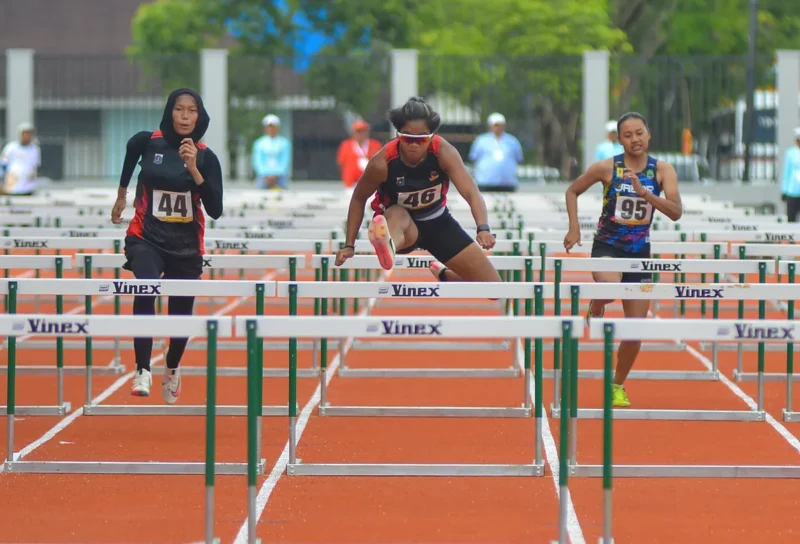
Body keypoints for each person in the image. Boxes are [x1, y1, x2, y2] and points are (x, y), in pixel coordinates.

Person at [110, 88, 224, 402]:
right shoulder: (149, 142)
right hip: (146, 237)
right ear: (169, 112)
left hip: (186, 246)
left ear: (199, 117)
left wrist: (194, 170)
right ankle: (142, 369)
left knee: (180, 318)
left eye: (191, 111)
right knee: (145, 286)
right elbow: (131, 153)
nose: (185, 116)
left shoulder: (205, 157)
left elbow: (215, 209)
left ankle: (172, 365)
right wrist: (121, 196)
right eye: (179, 109)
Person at [563, 112, 683, 408]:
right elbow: (572, 190)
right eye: (627, 135)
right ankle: (598, 302)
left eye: (639, 133)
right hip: (608, 247)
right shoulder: (608, 167)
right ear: (619, 140)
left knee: (635, 328)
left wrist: (645, 193)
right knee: (610, 287)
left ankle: (616, 385)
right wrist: (574, 227)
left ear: (649, 134)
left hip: (640, 254)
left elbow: (676, 211)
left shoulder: (663, 170)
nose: (635, 140)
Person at [335, 97, 501, 285]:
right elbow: (358, 198)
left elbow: (471, 191)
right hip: (403, 226)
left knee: (494, 287)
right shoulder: (382, 161)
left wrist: (483, 227)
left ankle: (445, 276)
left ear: (431, 137)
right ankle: (388, 246)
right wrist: (349, 245)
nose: (414, 145)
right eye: (407, 138)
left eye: (421, 140)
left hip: (438, 224)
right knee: (398, 213)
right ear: (398, 135)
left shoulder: (443, 152)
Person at [468, 112, 523, 192]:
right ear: (490, 126)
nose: (498, 128)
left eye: (500, 125)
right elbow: (474, 158)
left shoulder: (512, 141)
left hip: (508, 183)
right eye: (495, 125)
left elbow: (519, 158)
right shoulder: (481, 140)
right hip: (485, 182)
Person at [337, 119, 382, 193]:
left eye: (363, 131)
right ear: (353, 133)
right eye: (358, 131)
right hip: (351, 186)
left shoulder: (375, 145)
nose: (361, 134)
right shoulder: (345, 145)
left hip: (371, 186)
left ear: (367, 132)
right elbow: (341, 164)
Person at [252, 114, 291, 190]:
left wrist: (275, 175)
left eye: (273, 127)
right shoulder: (259, 143)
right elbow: (258, 161)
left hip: (280, 177)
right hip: (263, 177)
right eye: (269, 127)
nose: (271, 129)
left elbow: (285, 161)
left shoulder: (284, 143)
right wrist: (266, 175)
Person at [0, 122, 41, 196]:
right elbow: (3, 164)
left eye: (29, 134)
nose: (27, 136)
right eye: (25, 134)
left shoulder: (35, 149)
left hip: (28, 187)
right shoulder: (11, 147)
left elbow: (35, 165)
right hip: (12, 185)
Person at [781, 127, 800, 222]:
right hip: (792, 190)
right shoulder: (790, 153)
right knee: (791, 217)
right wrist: (784, 190)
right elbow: (787, 172)